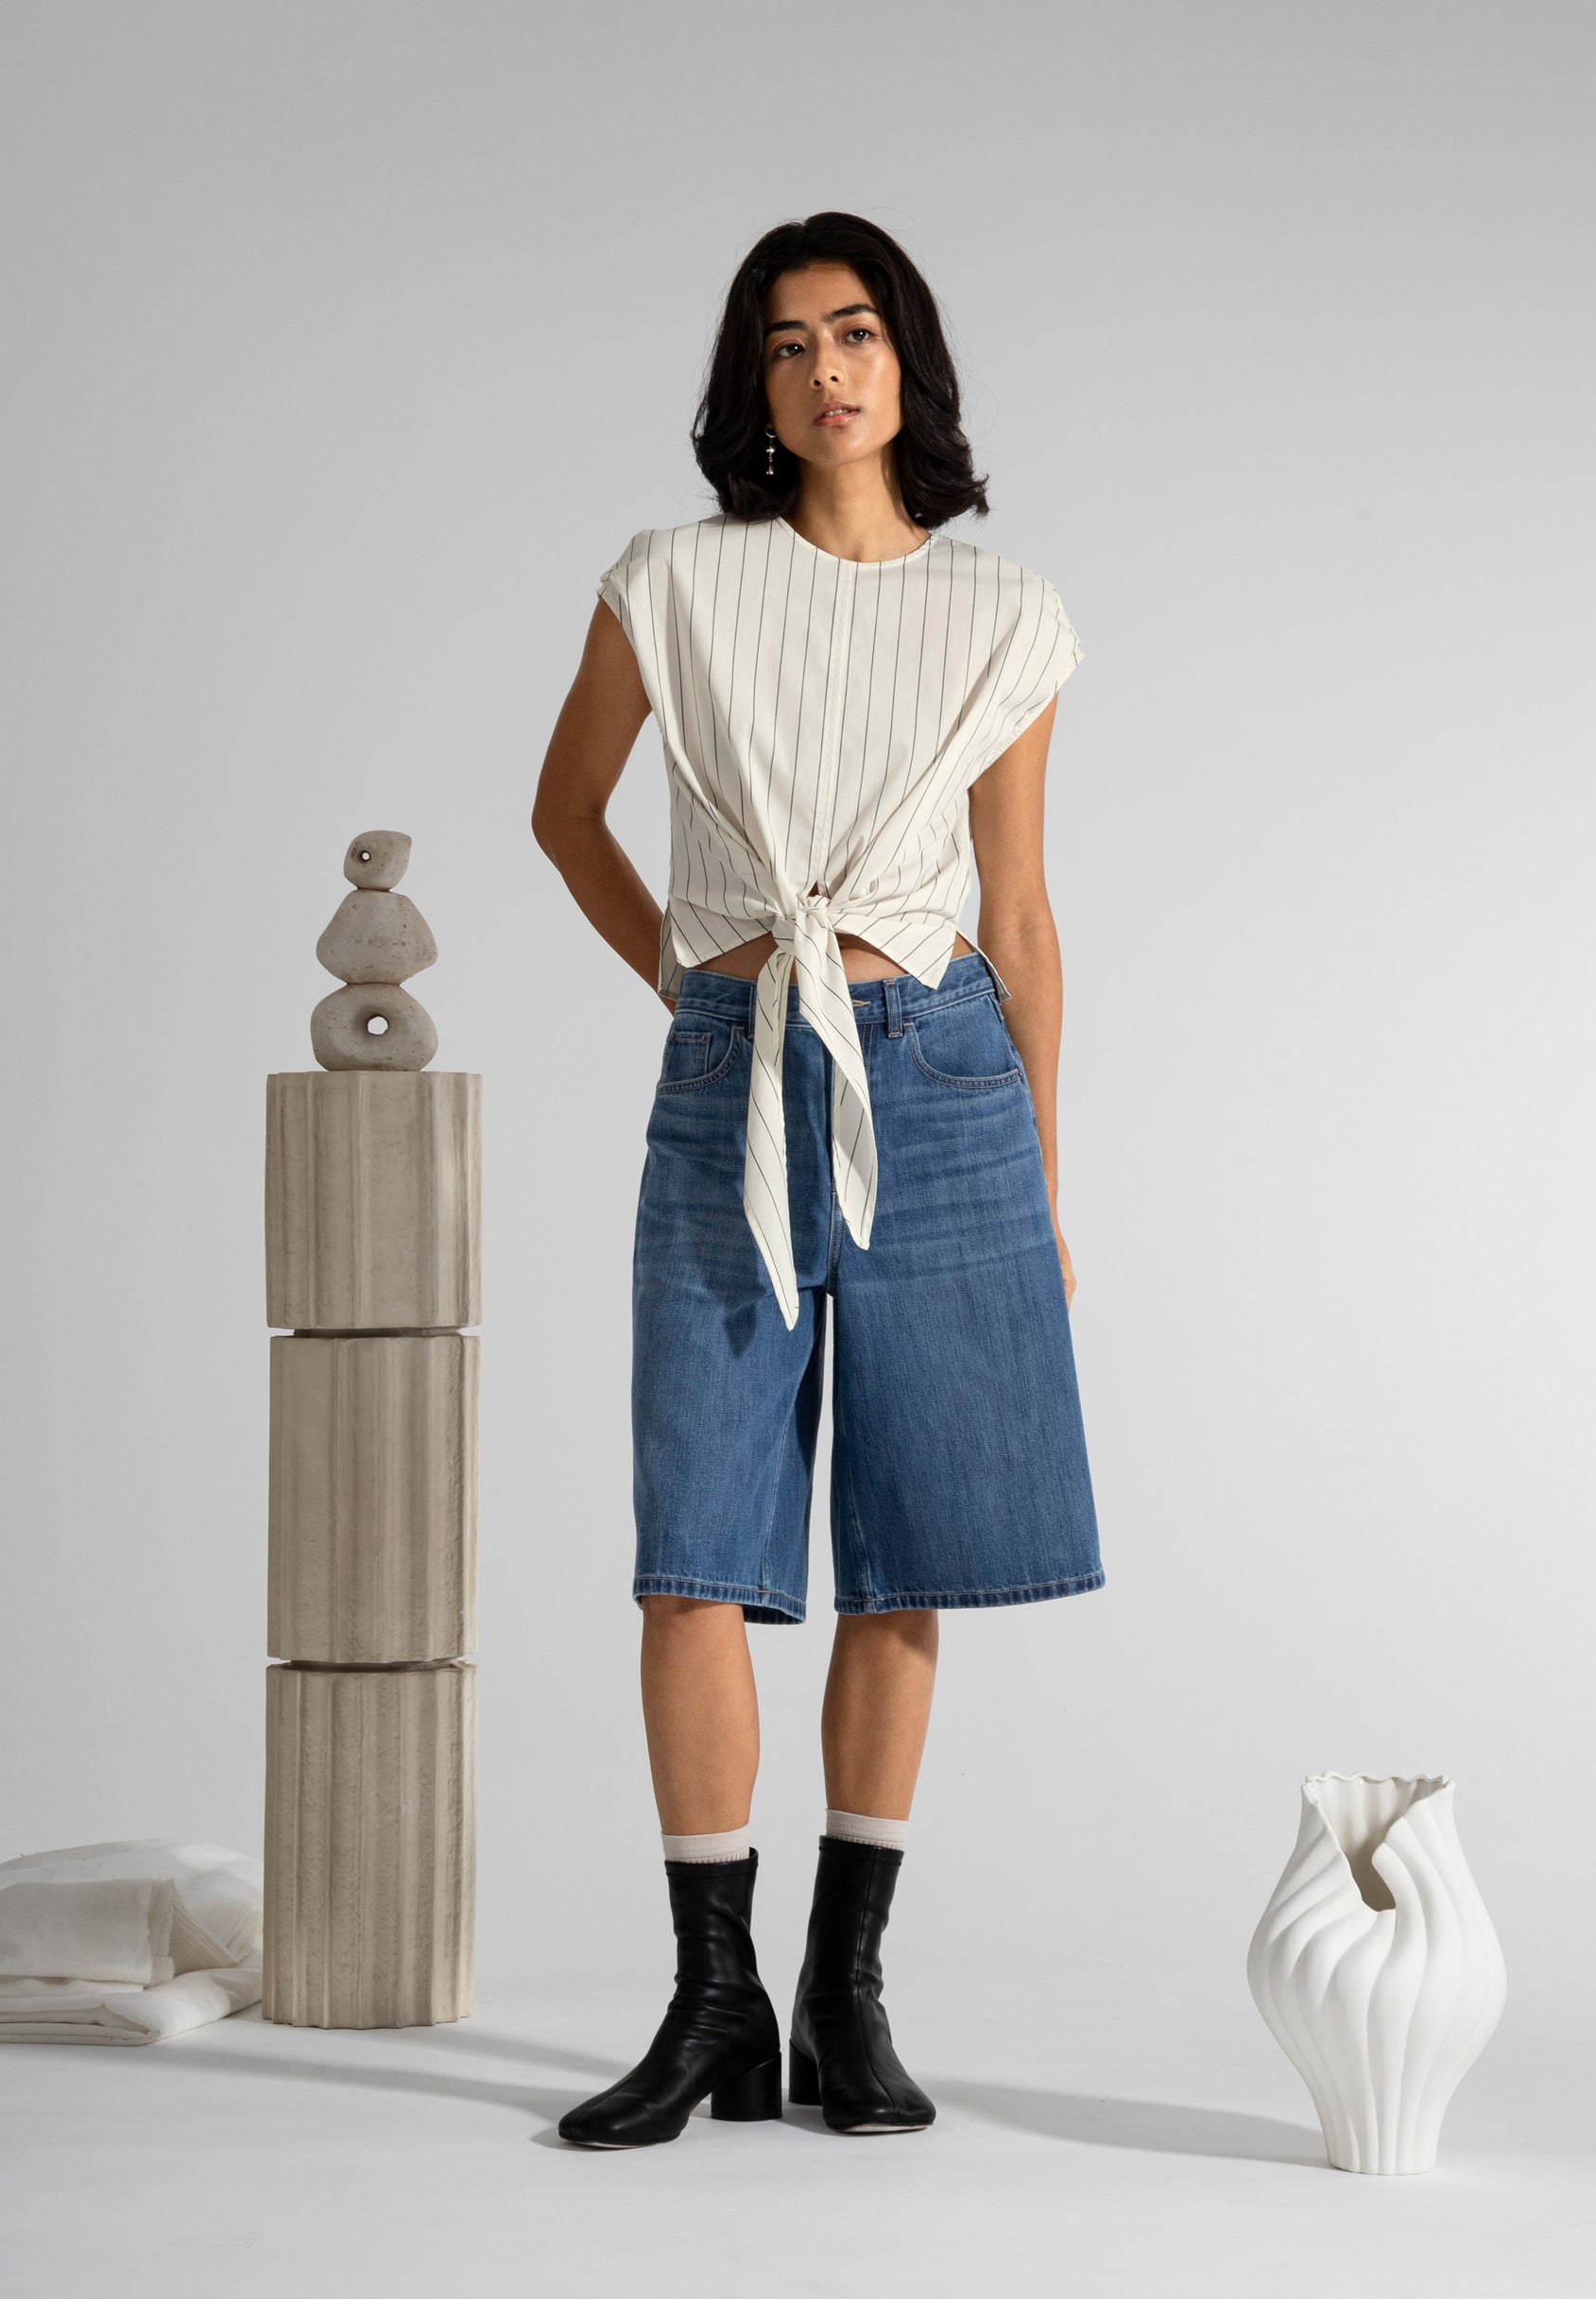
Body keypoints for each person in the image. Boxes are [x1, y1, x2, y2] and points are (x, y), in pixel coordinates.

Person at [530, 211, 1103, 2149]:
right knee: (693, 1546)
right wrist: (695, 986)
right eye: (785, 344)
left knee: (910, 1541)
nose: (825, 369)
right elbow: (564, 811)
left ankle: (847, 1996)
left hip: (940, 1077)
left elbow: (1019, 911)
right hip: (736, 1070)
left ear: (904, 359)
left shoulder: (1004, 613)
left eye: (852, 332)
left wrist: (1044, 1176)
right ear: (751, 385)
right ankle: (714, 2000)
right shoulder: (673, 578)